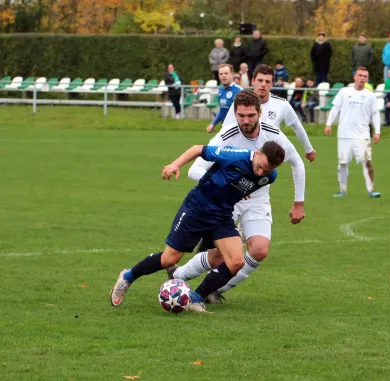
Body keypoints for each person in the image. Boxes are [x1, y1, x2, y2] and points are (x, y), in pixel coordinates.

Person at [109, 93, 286, 312]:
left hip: (222, 215)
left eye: (266, 170)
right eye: (259, 166)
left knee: (236, 261)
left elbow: (247, 186)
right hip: (197, 209)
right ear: (257, 153)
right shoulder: (234, 156)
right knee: (168, 259)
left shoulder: (270, 176)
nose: (260, 172)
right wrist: (175, 165)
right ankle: (127, 276)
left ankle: (194, 297)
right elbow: (197, 149)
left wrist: (242, 191)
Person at [170, 90, 307, 303]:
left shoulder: (273, 135)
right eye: (241, 116)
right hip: (228, 202)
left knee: (260, 250)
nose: (246, 120)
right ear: (235, 114)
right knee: (220, 254)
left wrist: (299, 202)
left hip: (258, 200)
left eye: (251, 115)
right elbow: (194, 171)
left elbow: (297, 163)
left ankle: (215, 289)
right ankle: (178, 277)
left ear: (260, 113)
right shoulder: (226, 136)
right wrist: (229, 187)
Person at [222, 64, 317, 162]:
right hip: (241, 159)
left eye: (267, 81)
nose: (263, 84)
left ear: (272, 84)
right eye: (260, 80)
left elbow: (297, 126)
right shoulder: (240, 102)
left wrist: (309, 149)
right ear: (253, 81)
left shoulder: (282, 105)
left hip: (266, 163)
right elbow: (225, 130)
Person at [324, 67, 381, 198]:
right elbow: (335, 108)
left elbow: (375, 114)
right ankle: (342, 190)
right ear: (355, 77)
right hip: (344, 134)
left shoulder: (370, 96)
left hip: (362, 135)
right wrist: (328, 124)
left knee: (366, 161)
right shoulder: (344, 92)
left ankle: (371, 190)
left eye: (365, 76)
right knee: (343, 163)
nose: (362, 78)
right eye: (360, 75)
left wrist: (377, 132)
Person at [206, 64, 243, 133]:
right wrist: (213, 124)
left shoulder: (239, 91)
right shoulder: (220, 90)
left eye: (226, 73)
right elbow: (222, 109)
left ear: (232, 74)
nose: (223, 76)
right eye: (221, 74)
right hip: (225, 129)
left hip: (238, 130)